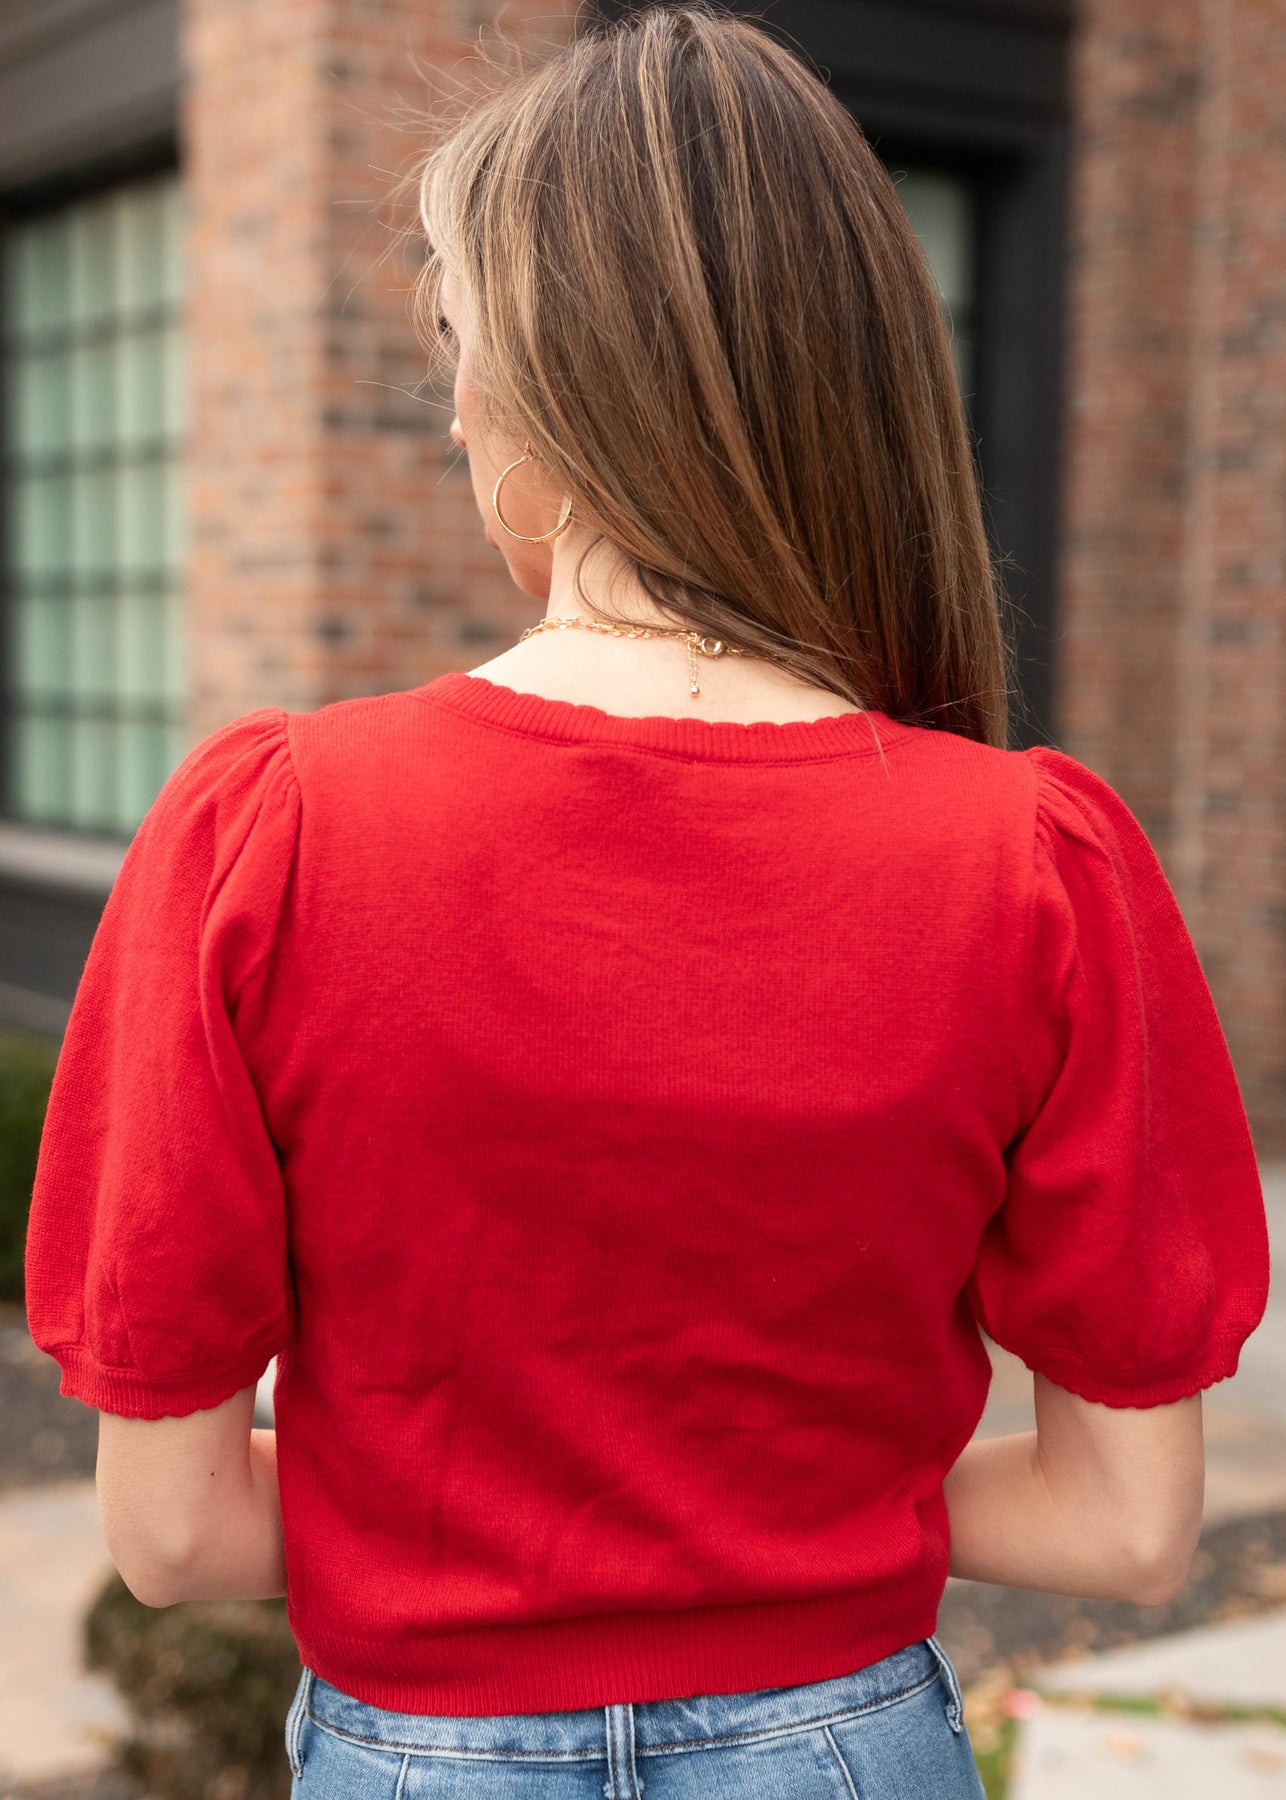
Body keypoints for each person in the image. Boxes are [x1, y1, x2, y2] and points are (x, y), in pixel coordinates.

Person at [23, 4, 1270, 1796]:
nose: (451, 406)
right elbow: (1122, 1525)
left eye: (455, 346)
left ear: (528, 395)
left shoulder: (269, 835)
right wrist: (768, 1516)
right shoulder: (1034, 863)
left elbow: (175, 1531)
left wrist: (496, 1523)